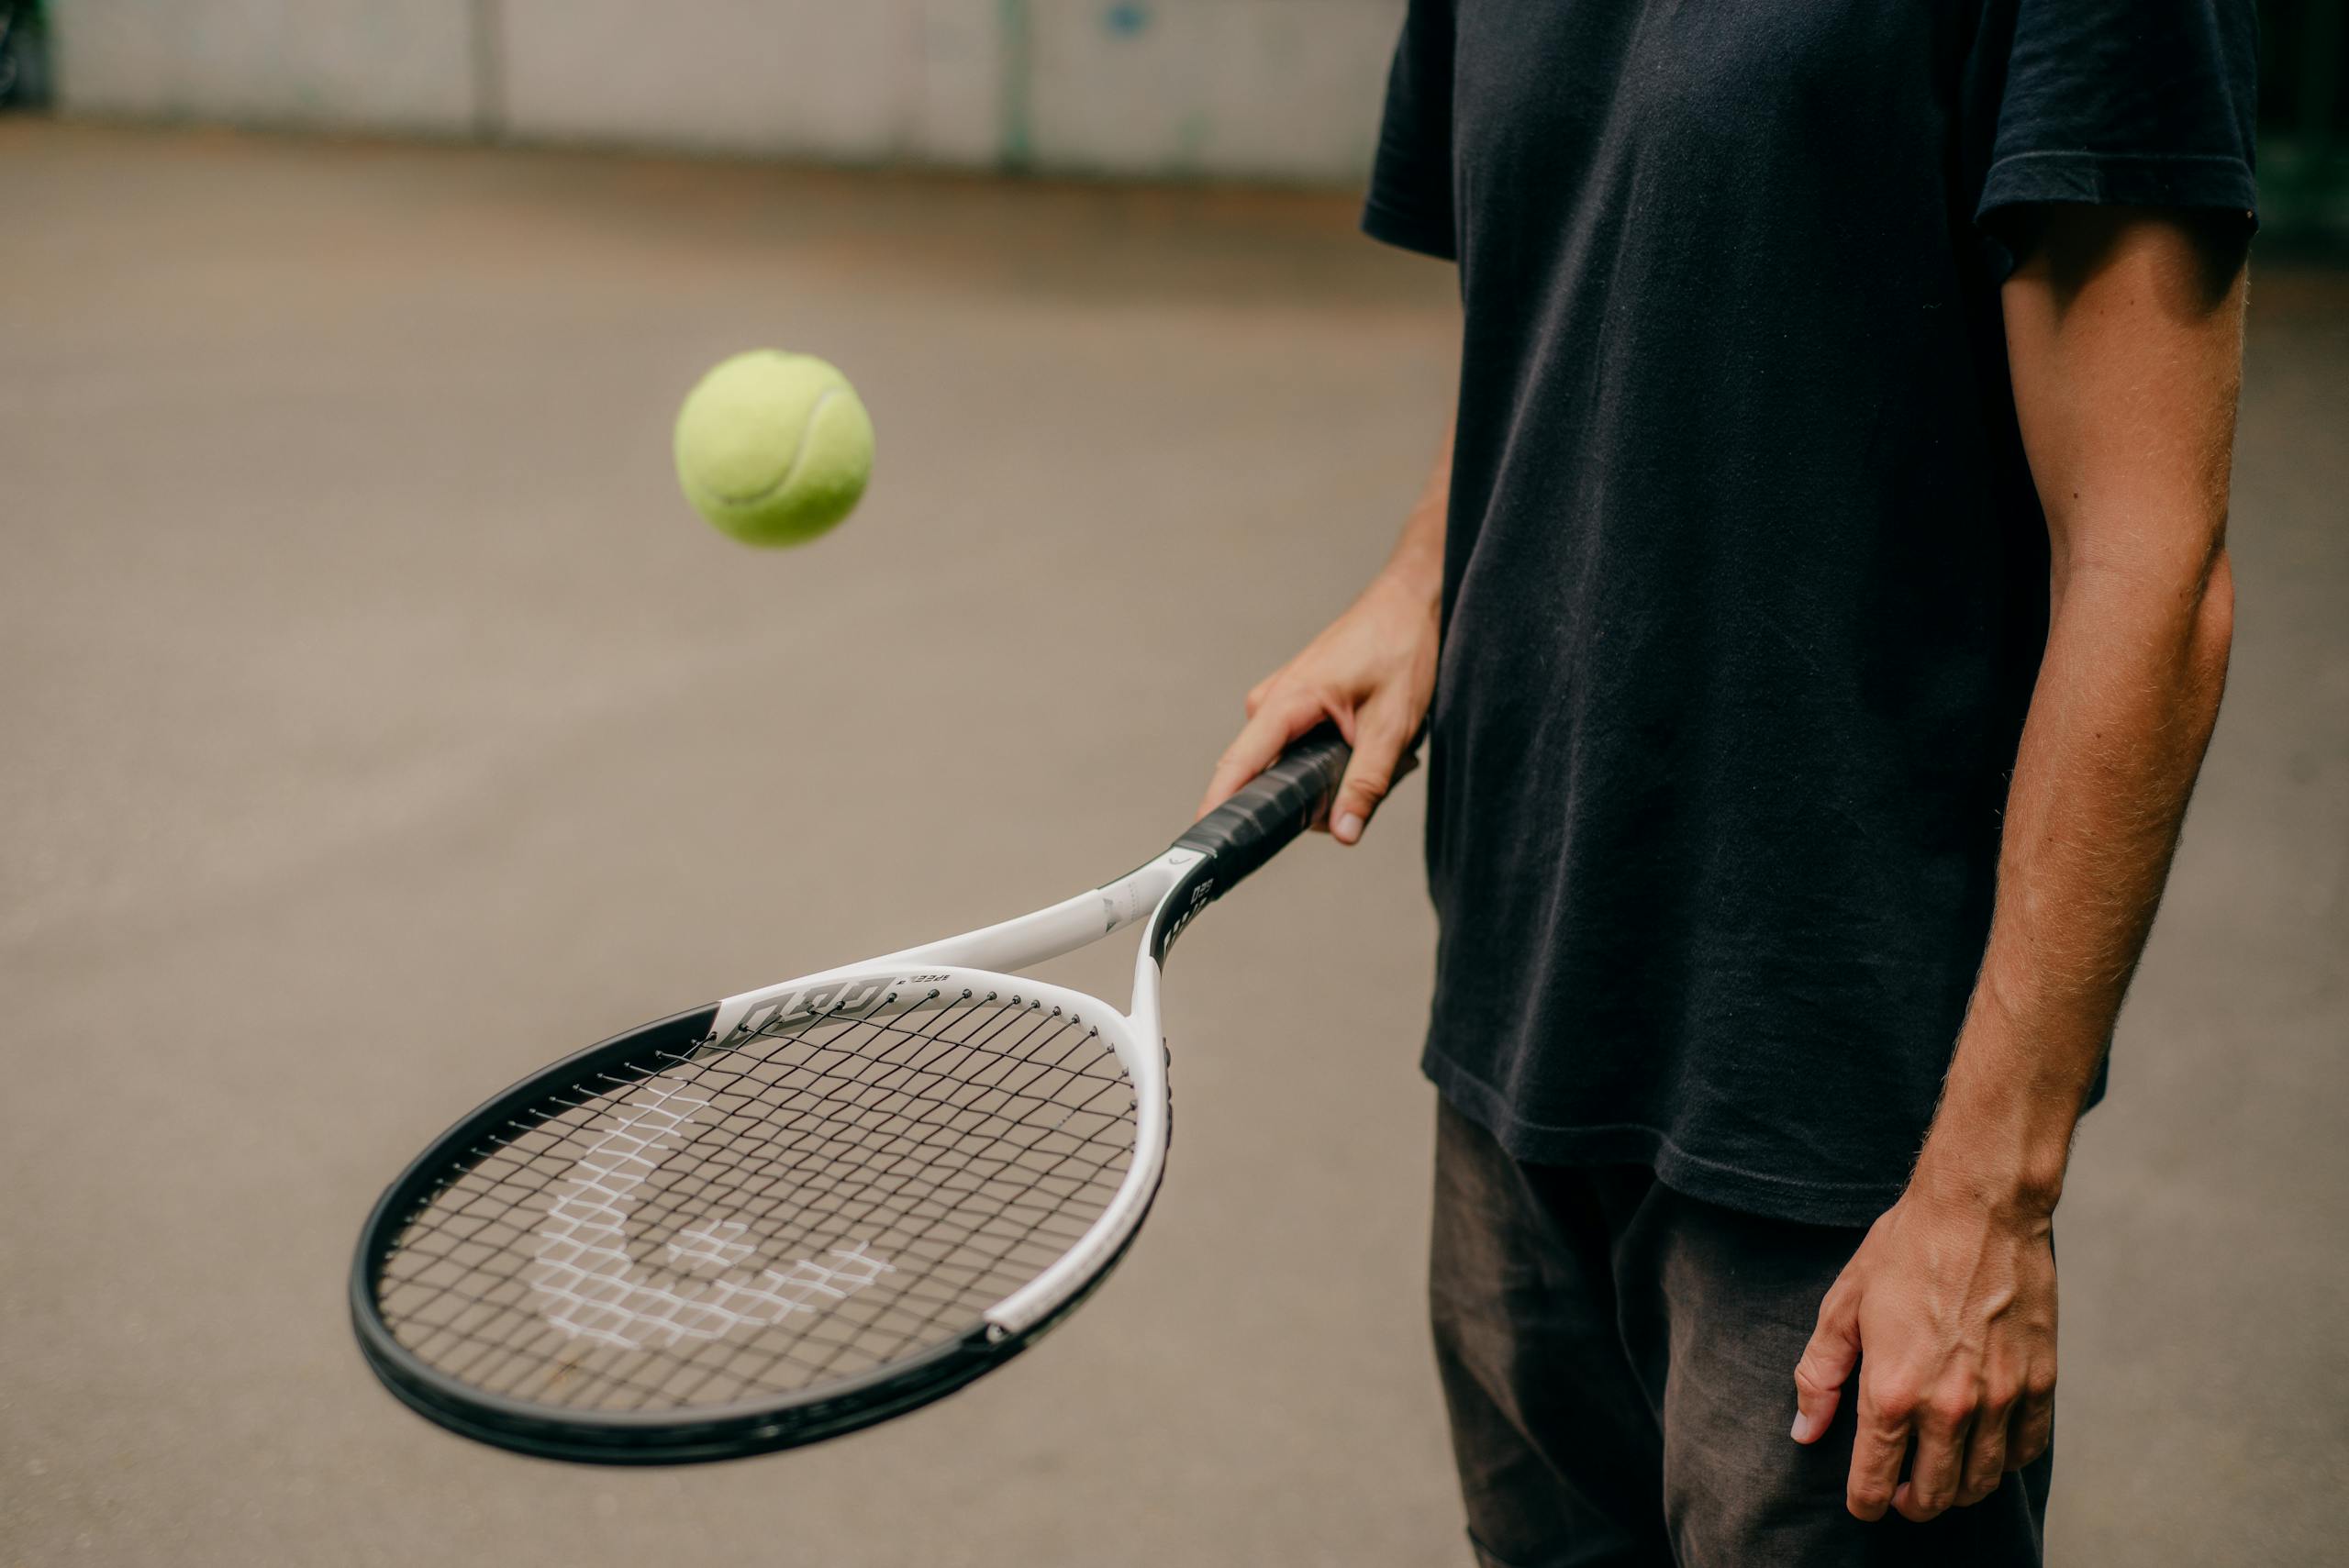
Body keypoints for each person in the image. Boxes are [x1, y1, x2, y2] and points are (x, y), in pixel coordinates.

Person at [1195, 3, 2257, 1562]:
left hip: (1841, 1140)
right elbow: (1566, 258)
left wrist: (1985, 1199)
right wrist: (1425, 573)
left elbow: (2150, 567)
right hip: (1517, 1036)